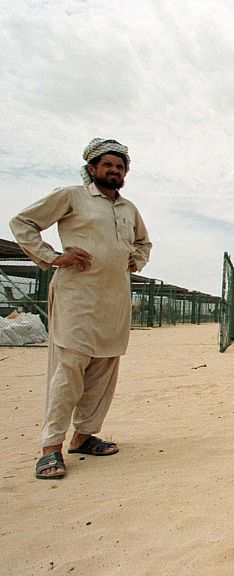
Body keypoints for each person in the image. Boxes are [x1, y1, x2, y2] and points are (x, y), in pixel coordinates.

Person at [10, 138, 152, 479]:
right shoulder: (71, 196)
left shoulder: (128, 209)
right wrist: (53, 257)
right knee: (68, 371)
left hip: (115, 300)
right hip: (77, 297)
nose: (115, 170)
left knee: (104, 369)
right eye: (108, 165)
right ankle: (50, 448)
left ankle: (84, 436)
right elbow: (22, 223)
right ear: (92, 168)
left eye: (120, 166)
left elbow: (143, 242)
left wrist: (135, 259)